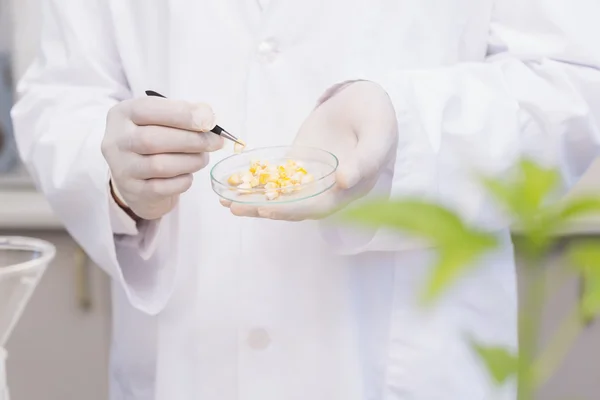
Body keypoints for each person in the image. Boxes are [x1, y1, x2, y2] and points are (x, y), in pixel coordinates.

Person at [11, 0, 600, 399]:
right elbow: (61, 92)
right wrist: (115, 170)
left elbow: (572, 77)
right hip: (188, 361)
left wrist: (404, 123)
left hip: (400, 362)